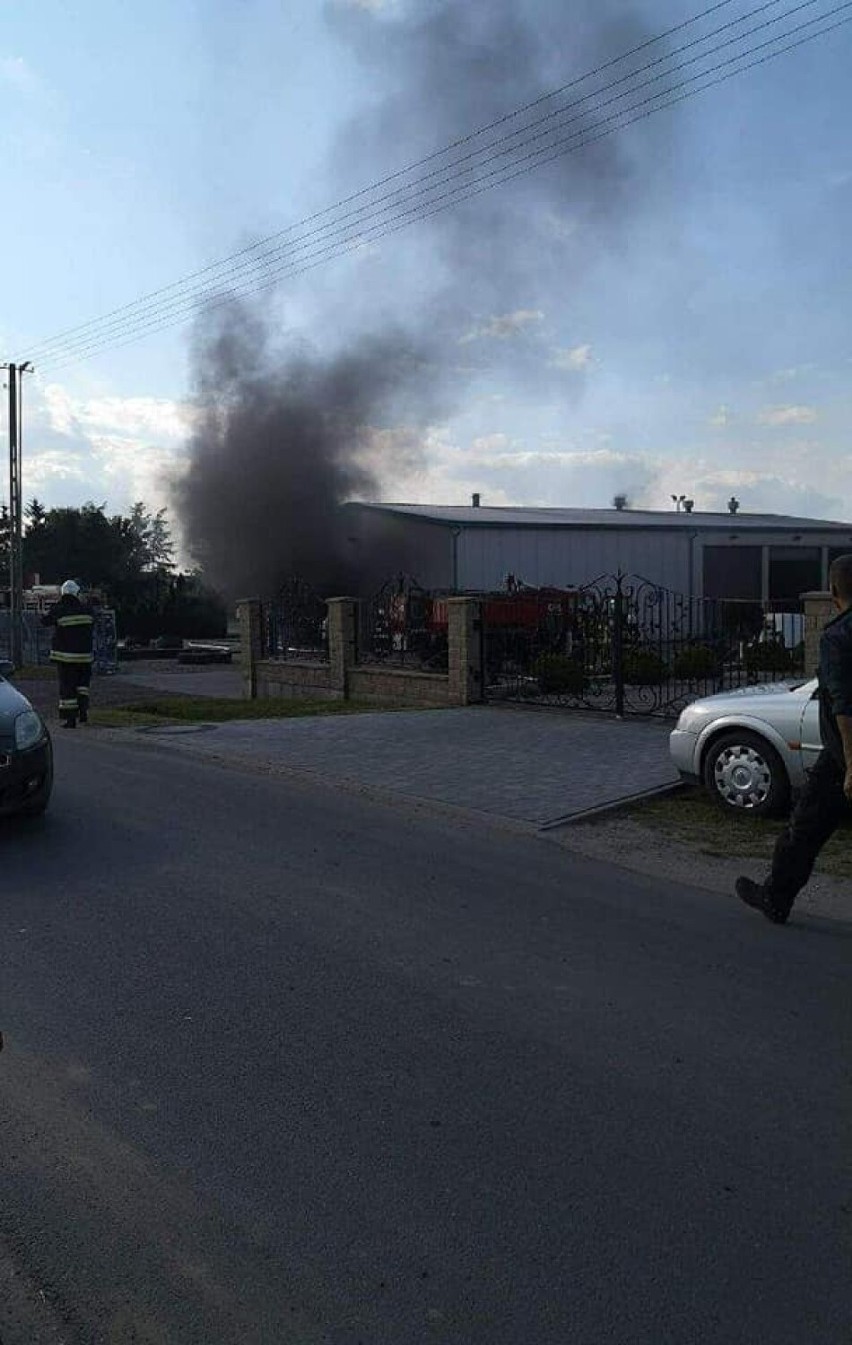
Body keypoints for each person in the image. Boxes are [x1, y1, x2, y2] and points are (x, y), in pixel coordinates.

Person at [736, 553, 852, 924]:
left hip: (841, 759)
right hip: (838, 757)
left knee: (802, 831)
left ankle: (775, 897)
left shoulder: (838, 637)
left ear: (833, 590)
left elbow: (845, 706)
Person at [42, 579, 95, 728]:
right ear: (77, 593)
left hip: (65, 657)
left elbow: (44, 621)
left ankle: (70, 720)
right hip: (85, 656)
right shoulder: (86, 609)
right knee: (83, 686)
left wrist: (47, 611)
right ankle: (83, 713)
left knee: (68, 687)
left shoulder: (59, 609)